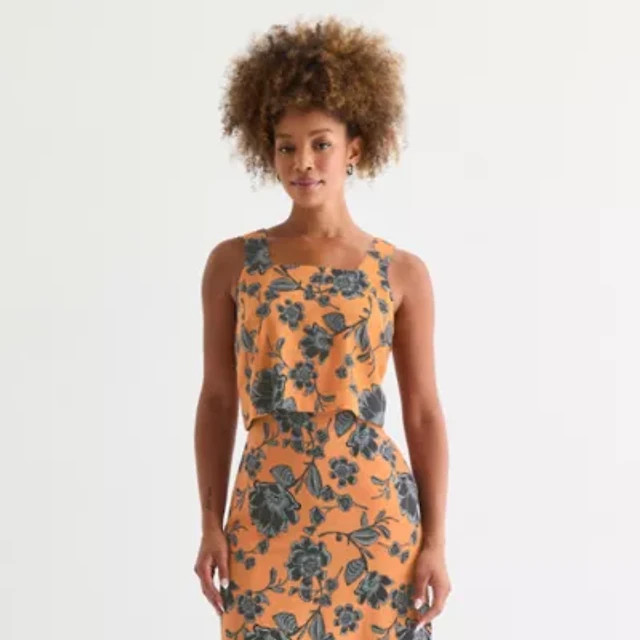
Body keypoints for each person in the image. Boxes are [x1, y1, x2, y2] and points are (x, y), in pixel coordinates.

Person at [193, 16, 451, 640]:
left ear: (354, 148)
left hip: (376, 522)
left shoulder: (402, 272)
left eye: (320, 143)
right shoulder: (233, 263)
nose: (302, 162)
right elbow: (218, 399)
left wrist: (436, 542)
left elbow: (422, 412)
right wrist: (209, 525)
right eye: (286, 146)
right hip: (264, 516)